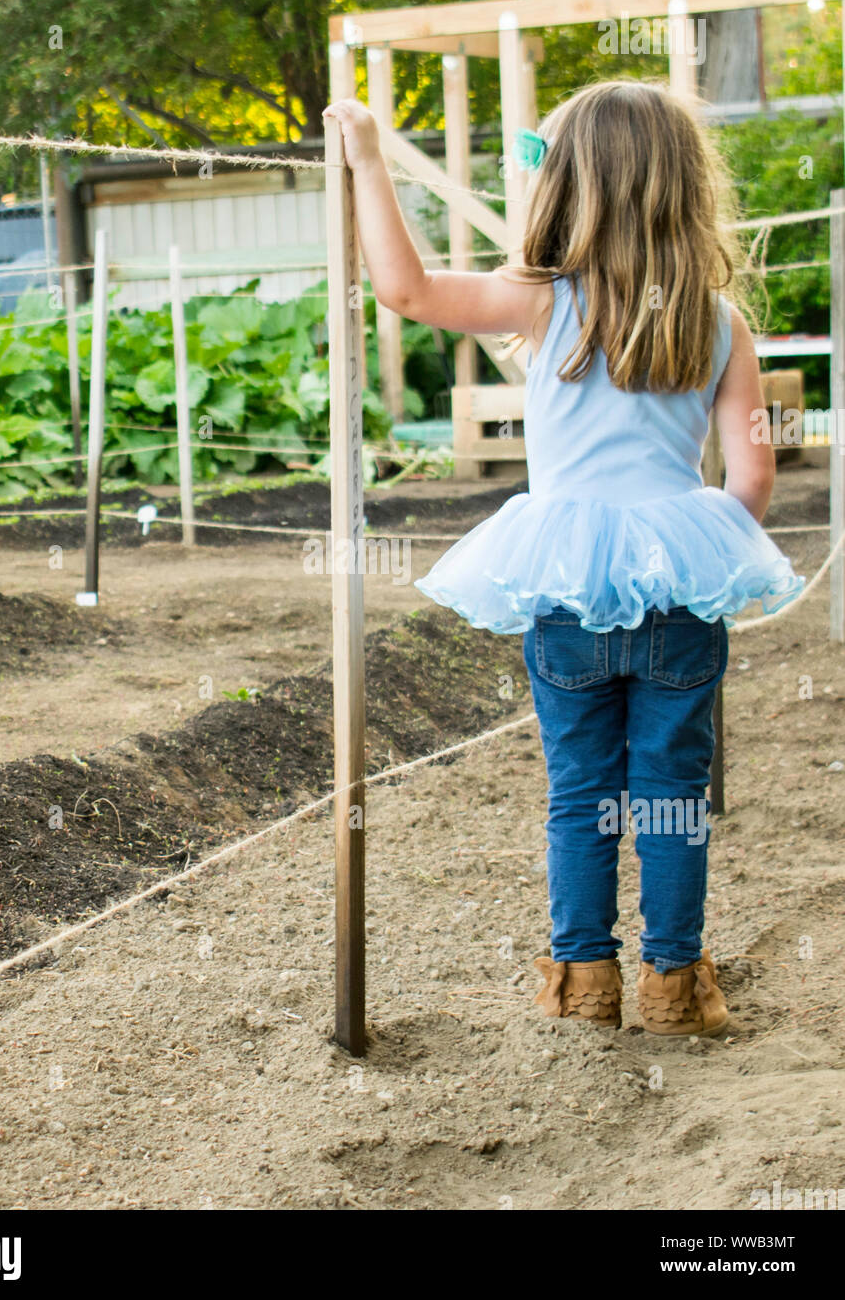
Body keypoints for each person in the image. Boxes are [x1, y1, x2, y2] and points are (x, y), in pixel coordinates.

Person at [322, 79, 804, 1036]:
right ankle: (676, 987)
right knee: (671, 792)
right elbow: (753, 476)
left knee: (579, 789)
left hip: (567, 587)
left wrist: (370, 159)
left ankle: (583, 983)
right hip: (680, 587)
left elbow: (405, 290)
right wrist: (698, 548)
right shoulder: (716, 321)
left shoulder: (540, 302)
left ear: (571, 185)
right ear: (682, 185)